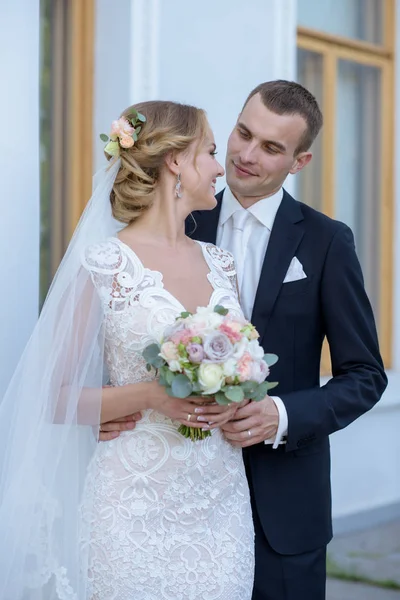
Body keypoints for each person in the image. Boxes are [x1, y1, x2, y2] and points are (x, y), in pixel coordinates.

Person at [101, 81, 388, 600]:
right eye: (242, 133)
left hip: (285, 506)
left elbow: (366, 376)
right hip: (169, 496)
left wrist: (283, 414)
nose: (246, 155)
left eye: (271, 147)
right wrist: (110, 409)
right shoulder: (175, 212)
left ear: (299, 162)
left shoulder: (327, 242)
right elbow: (123, 330)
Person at [0, 101, 256, 599]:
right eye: (208, 151)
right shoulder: (104, 265)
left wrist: (236, 402)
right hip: (133, 504)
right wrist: (152, 395)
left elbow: (241, 373)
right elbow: (53, 397)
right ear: (176, 161)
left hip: (221, 502)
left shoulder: (221, 264)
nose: (219, 166)